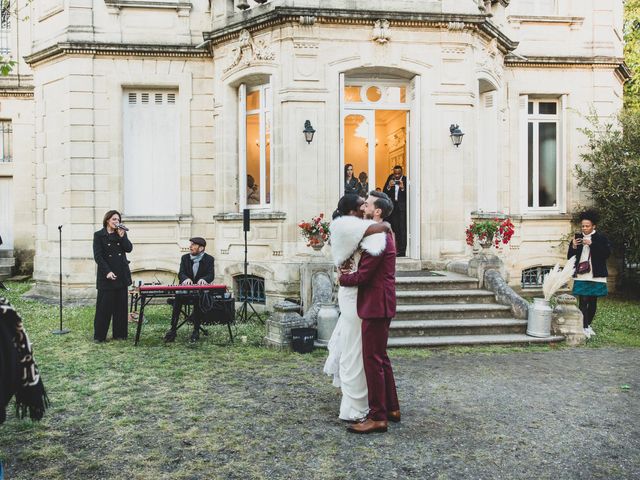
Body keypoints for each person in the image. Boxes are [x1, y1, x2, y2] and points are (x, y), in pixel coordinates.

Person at [324, 194, 389, 422]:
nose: (365, 206)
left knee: (359, 349)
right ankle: (356, 405)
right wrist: (385, 225)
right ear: (352, 209)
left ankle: (364, 403)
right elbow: (375, 230)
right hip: (353, 293)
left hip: (357, 293)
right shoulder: (345, 226)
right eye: (362, 203)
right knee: (354, 349)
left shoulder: (357, 227)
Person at [339, 191, 400, 434]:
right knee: (381, 358)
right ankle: (392, 408)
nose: (364, 205)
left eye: (369, 204)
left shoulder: (378, 237)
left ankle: (377, 417)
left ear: (377, 212)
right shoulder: (381, 231)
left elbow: (363, 276)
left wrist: (343, 278)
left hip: (375, 304)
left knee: (372, 360)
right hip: (381, 302)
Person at [567, 209, 611, 338]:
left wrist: (592, 244)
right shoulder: (578, 238)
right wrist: (574, 247)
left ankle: (588, 325)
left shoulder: (601, 238)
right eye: (583, 226)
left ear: (593, 226)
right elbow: (570, 258)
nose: (584, 228)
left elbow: (606, 254)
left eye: (587, 226)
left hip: (596, 274)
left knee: (592, 301)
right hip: (581, 274)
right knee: (583, 300)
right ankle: (584, 327)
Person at [164, 237, 215, 343]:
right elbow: (181, 273)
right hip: (184, 292)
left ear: (201, 248)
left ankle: (196, 331)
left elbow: (211, 275)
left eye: (193, 245)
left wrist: (204, 279)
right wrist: (185, 279)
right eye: (190, 244)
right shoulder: (185, 258)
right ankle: (173, 330)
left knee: (198, 301)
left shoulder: (209, 259)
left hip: (199, 293)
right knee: (177, 300)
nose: (190, 247)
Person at [93, 210, 133, 342]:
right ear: (107, 220)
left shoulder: (121, 233)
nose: (117, 222)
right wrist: (107, 272)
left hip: (121, 273)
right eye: (114, 219)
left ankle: (120, 334)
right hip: (107, 275)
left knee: (121, 306)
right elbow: (98, 256)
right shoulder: (99, 235)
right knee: (104, 307)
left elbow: (128, 248)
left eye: (118, 219)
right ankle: (100, 336)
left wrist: (122, 237)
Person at [383, 165, 407, 256]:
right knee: (395, 228)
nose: (397, 176)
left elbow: (409, 195)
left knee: (402, 229)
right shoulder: (390, 178)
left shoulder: (405, 179)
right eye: (395, 173)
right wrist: (389, 186)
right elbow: (384, 191)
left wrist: (402, 188)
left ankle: (402, 250)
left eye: (398, 173)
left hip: (402, 208)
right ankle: (395, 248)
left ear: (402, 172)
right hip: (393, 208)